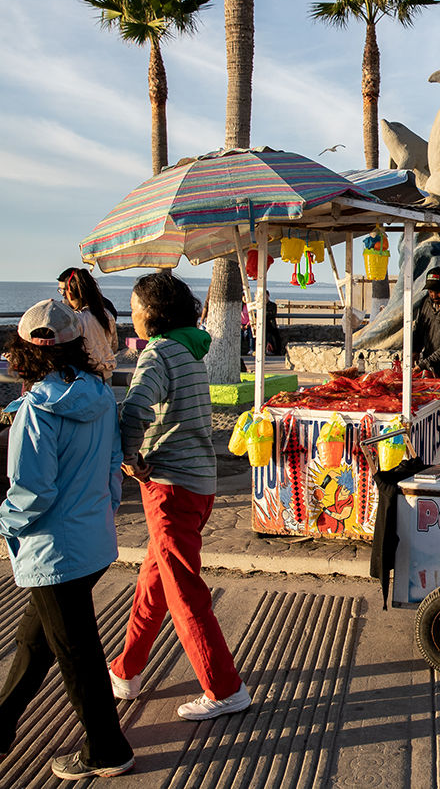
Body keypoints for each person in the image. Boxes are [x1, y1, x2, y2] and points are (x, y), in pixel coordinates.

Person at [0, 300, 135, 779]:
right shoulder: (99, 393)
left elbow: (33, 491)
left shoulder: (36, 411)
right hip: (91, 540)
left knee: (76, 654)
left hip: (53, 550)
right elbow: (113, 464)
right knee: (36, 641)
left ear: (24, 351)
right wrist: (103, 509)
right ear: (76, 342)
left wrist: (5, 524)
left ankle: (107, 750)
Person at [108, 272, 251, 721]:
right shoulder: (189, 350)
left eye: (134, 308)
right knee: (155, 580)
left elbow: (135, 408)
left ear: (153, 313)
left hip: (170, 487)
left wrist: (129, 456)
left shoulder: (158, 353)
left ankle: (224, 688)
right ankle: (126, 670)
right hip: (197, 483)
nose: (131, 316)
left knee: (184, 592)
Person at [57, 267, 117, 380]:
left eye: (62, 290)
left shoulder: (75, 319)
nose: (62, 295)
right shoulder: (106, 315)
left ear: (71, 290)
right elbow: (114, 346)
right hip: (106, 375)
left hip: (84, 378)